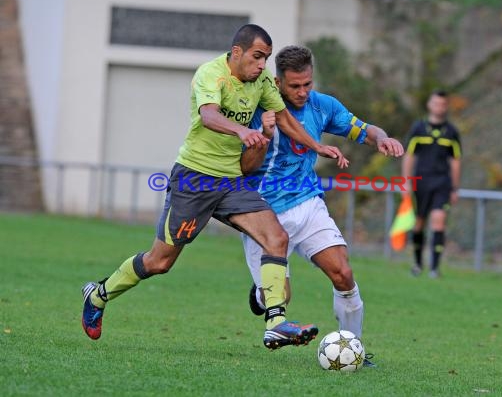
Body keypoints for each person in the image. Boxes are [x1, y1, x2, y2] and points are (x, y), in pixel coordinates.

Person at [81, 24, 349, 350]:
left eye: (265, 57)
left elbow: (283, 118)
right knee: (160, 262)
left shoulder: (262, 81)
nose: (263, 64)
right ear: (237, 52)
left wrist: (316, 146)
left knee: (275, 236)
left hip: (232, 182)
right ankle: (98, 294)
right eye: (257, 56)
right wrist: (240, 131)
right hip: (194, 179)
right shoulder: (211, 74)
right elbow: (208, 115)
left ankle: (276, 323)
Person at [239, 45, 404, 367]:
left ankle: (354, 348)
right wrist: (264, 133)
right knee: (279, 297)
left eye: (307, 84)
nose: (302, 92)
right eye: (294, 86)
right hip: (263, 213)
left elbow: (363, 128)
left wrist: (382, 138)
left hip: (307, 203)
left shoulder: (322, 106)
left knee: (343, 274)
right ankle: (260, 296)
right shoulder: (258, 109)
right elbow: (244, 168)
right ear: (278, 82)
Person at [402, 90, 462, 278]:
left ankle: (435, 268)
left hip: (442, 182)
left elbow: (456, 161)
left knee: (438, 221)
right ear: (429, 105)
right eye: (436, 103)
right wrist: (406, 182)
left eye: (443, 104)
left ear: (446, 107)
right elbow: (410, 156)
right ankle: (418, 264)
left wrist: (454, 187)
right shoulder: (418, 128)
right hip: (421, 181)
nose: (439, 107)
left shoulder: (452, 132)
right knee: (419, 222)